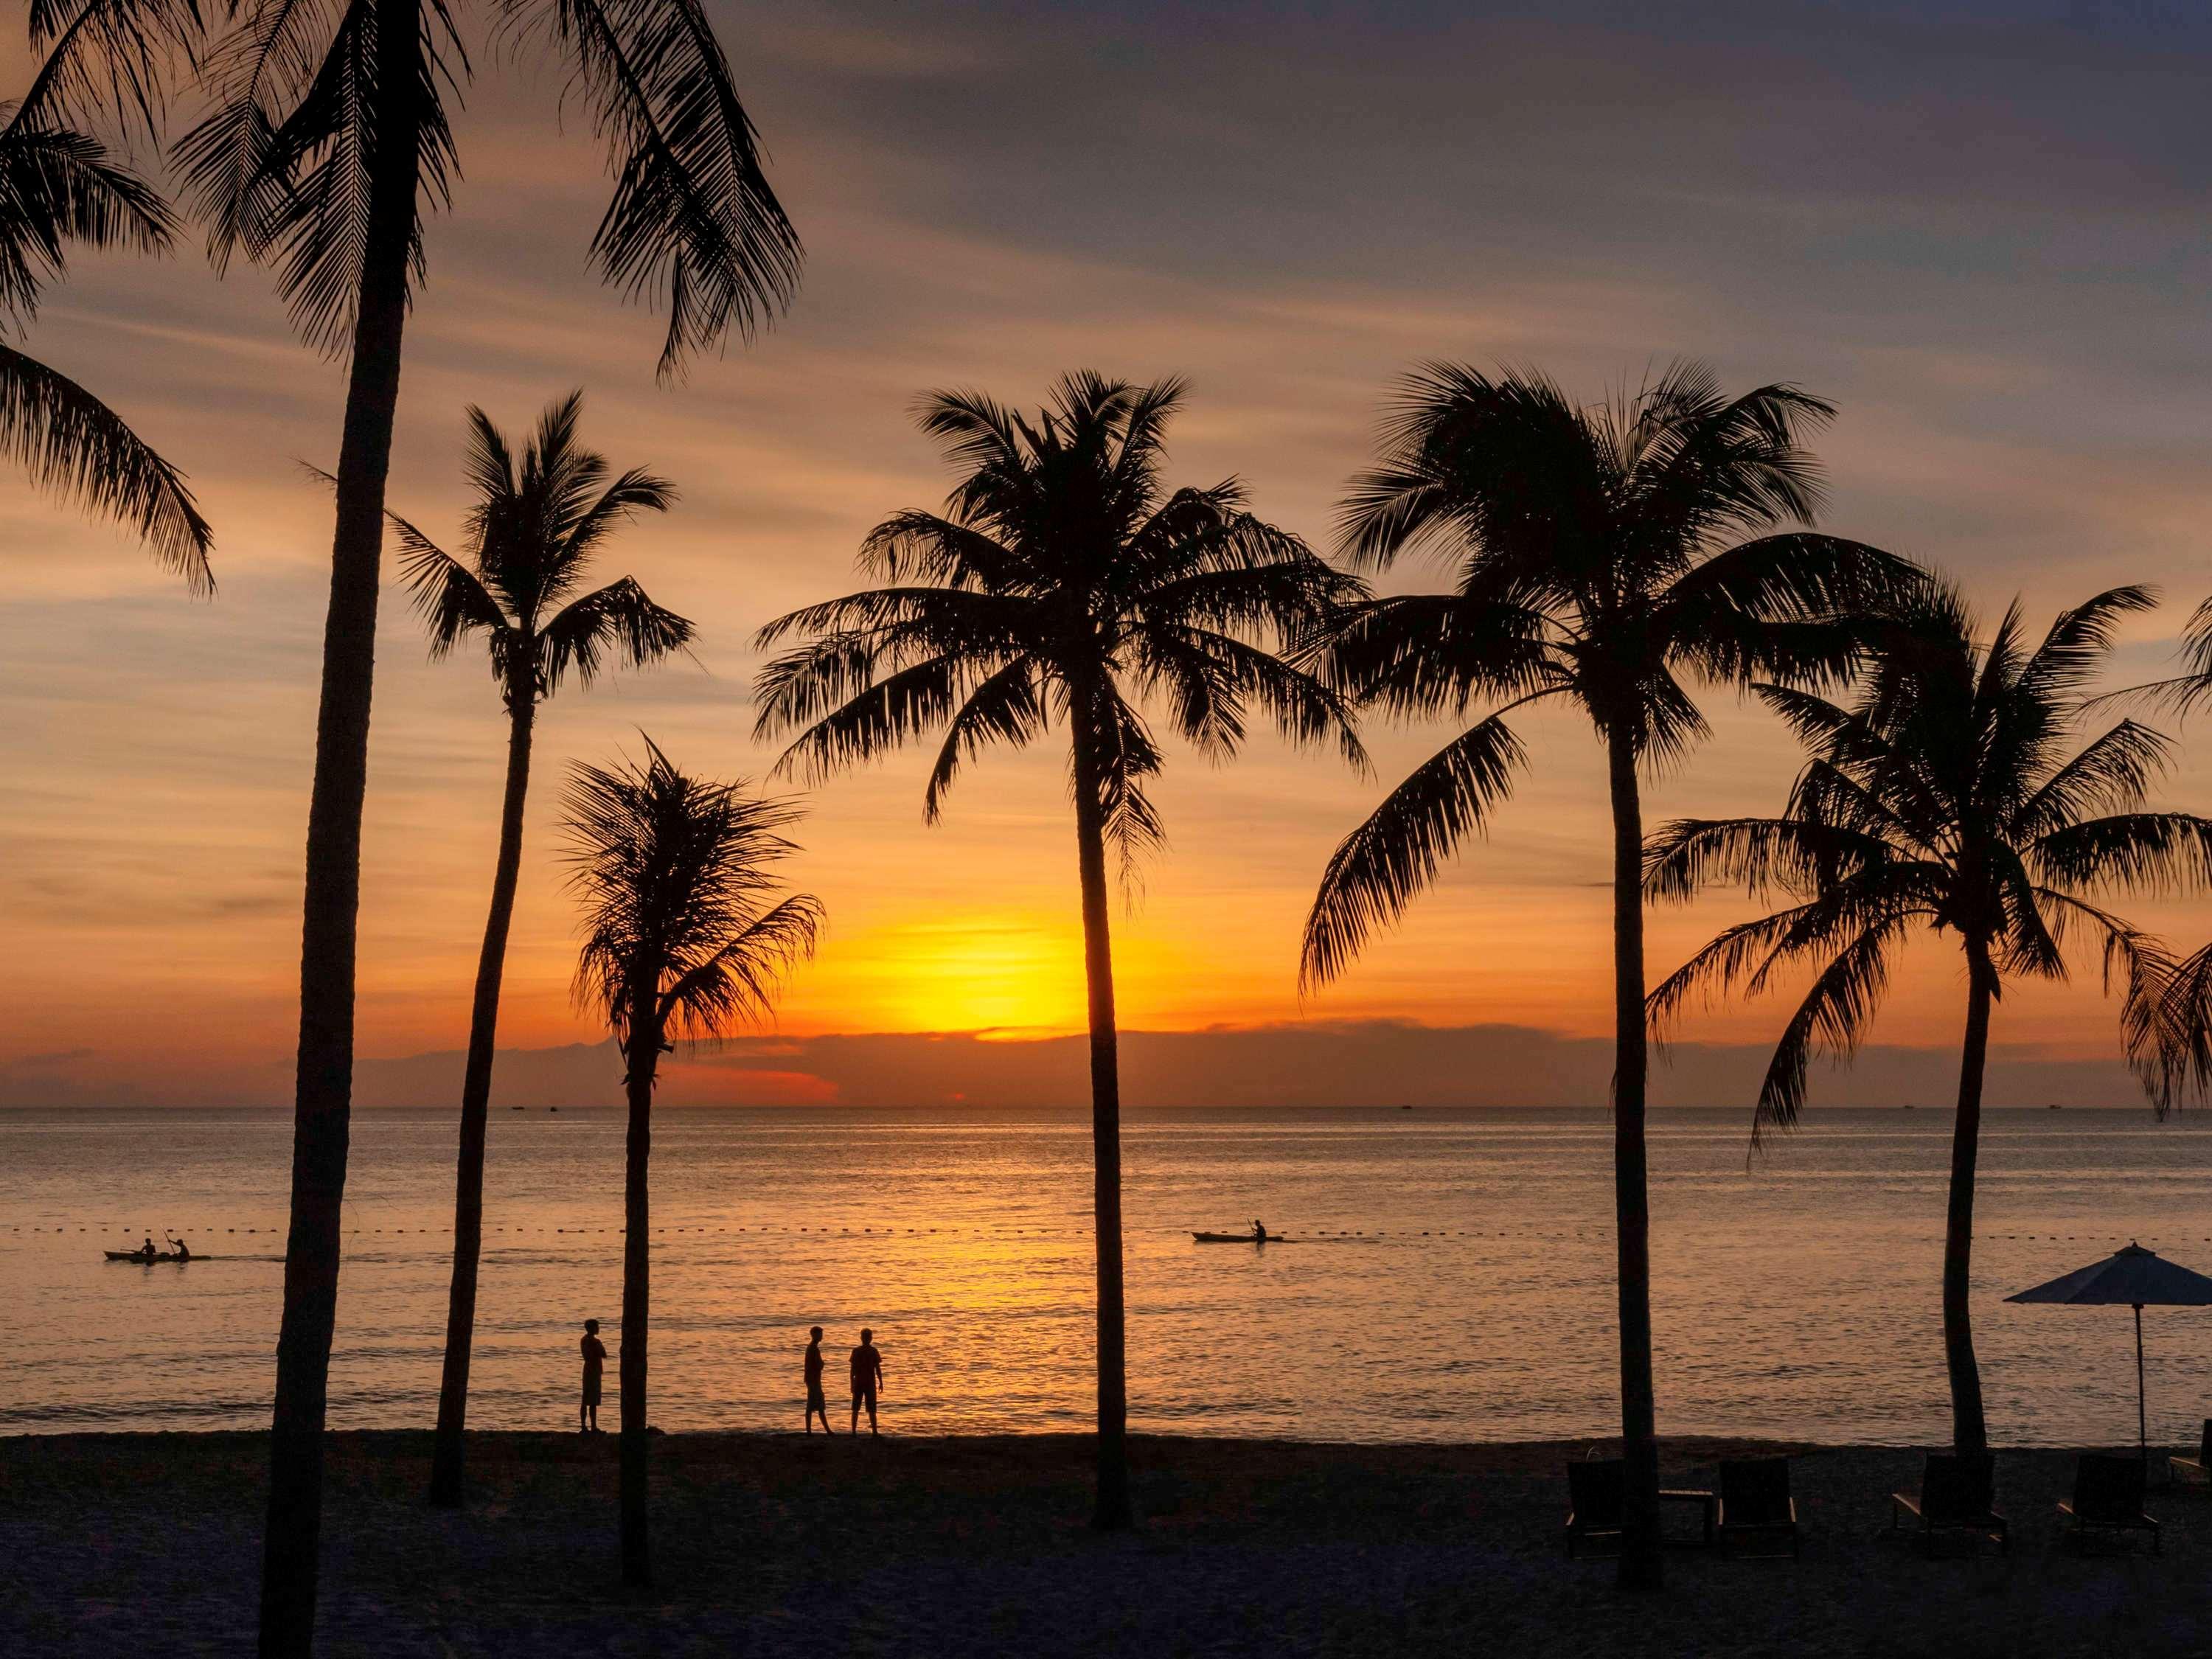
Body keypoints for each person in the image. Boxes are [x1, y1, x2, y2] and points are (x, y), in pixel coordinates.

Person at [849, 1328, 885, 1436]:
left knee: (856, 1408)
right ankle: (874, 1431)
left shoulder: (857, 1351)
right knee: (871, 1408)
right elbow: (877, 1368)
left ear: (861, 1338)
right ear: (871, 1339)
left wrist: (852, 1383)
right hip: (868, 1383)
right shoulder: (873, 1351)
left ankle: (854, 1432)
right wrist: (881, 1382)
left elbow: (852, 1370)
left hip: (860, 1382)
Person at [580, 1318, 607, 1434]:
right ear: (592, 1328)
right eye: (597, 1327)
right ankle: (594, 1427)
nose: (598, 1329)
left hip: (587, 1370)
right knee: (593, 1401)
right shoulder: (596, 1342)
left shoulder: (584, 1340)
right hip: (594, 1371)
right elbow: (604, 1354)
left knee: (585, 1399)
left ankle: (584, 1426)